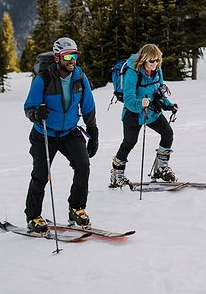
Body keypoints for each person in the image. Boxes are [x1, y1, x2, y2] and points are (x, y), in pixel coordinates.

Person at [23, 37, 99, 233]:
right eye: (67, 56)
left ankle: (76, 208)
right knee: (41, 175)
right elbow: (29, 106)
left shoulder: (80, 78)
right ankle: (33, 216)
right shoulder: (44, 79)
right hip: (45, 133)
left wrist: (93, 133)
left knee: (83, 166)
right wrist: (36, 114)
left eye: (74, 56)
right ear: (57, 58)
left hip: (70, 132)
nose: (72, 60)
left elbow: (88, 107)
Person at [110, 43, 179, 187]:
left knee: (167, 134)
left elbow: (160, 90)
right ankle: (117, 174)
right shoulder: (132, 72)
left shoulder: (157, 70)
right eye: (152, 61)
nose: (155, 64)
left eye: (157, 60)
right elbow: (128, 100)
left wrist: (168, 104)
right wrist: (141, 103)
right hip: (133, 114)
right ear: (144, 59)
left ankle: (160, 168)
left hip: (152, 111)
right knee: (129, 142)